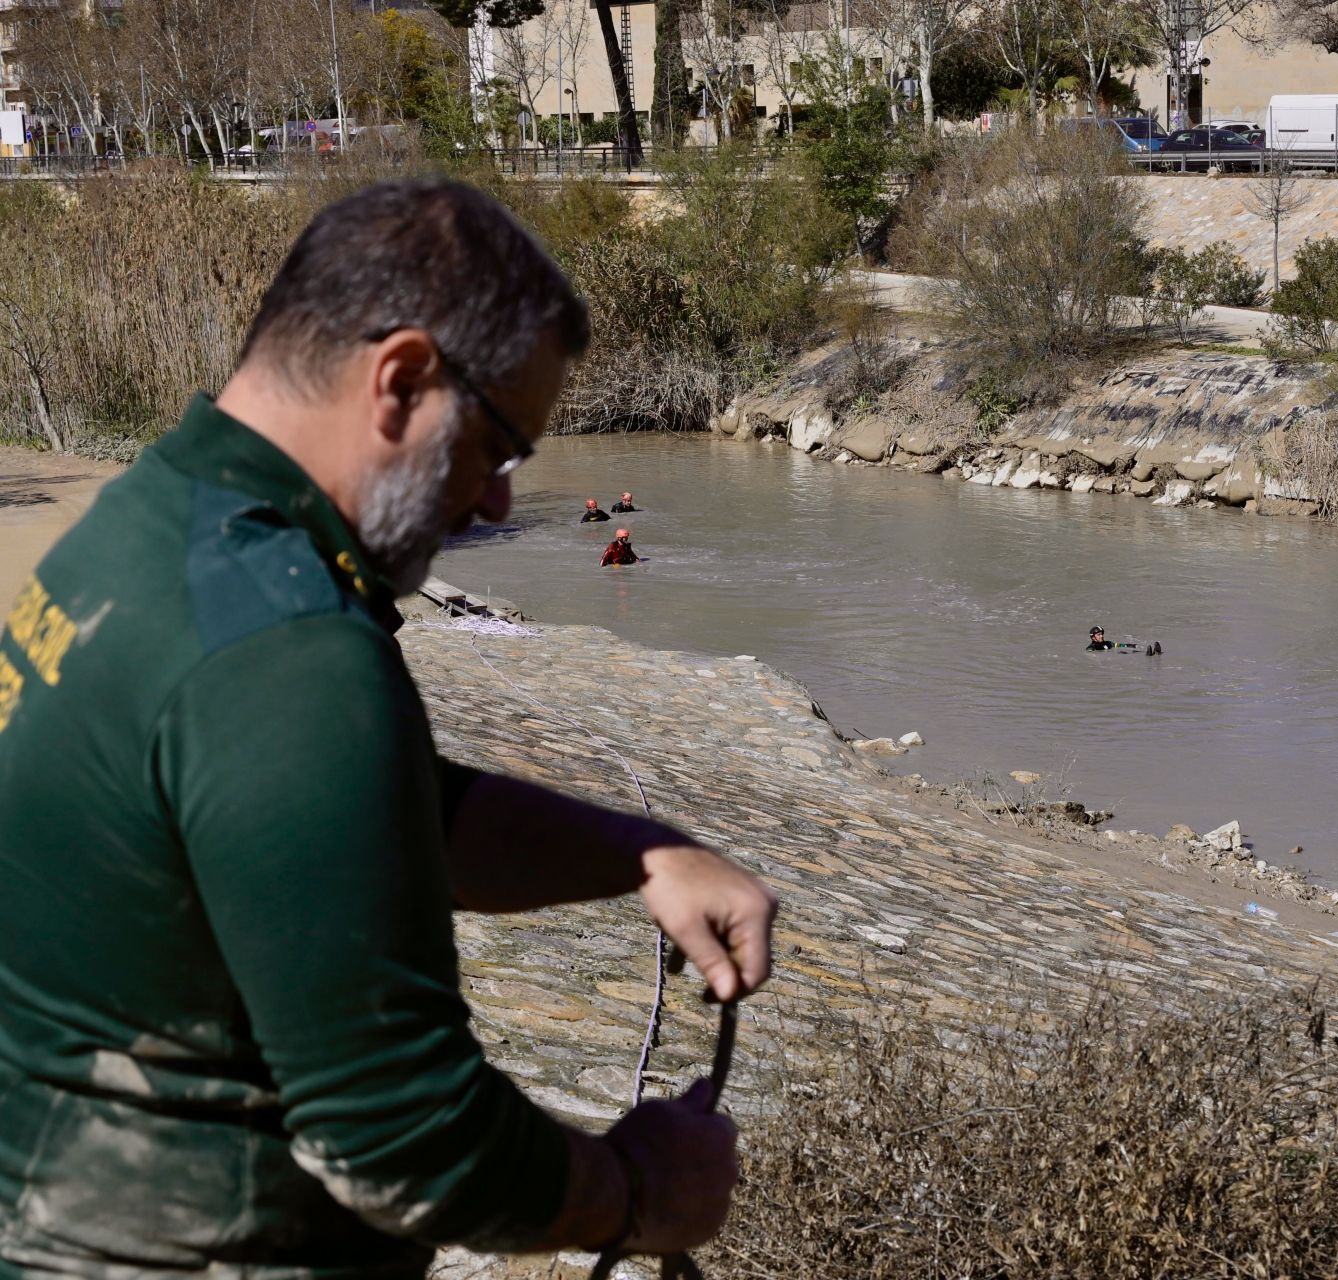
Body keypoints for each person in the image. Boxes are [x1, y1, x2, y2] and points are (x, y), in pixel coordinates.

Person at [0, 181, 777, 1272]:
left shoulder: (157, 526)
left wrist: (638, 853)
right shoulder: (287, 651)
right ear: (403, 378)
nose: (499, 504)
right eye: (500, 445)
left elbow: (345, 817)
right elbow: (403, 1134)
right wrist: (640, 1186)